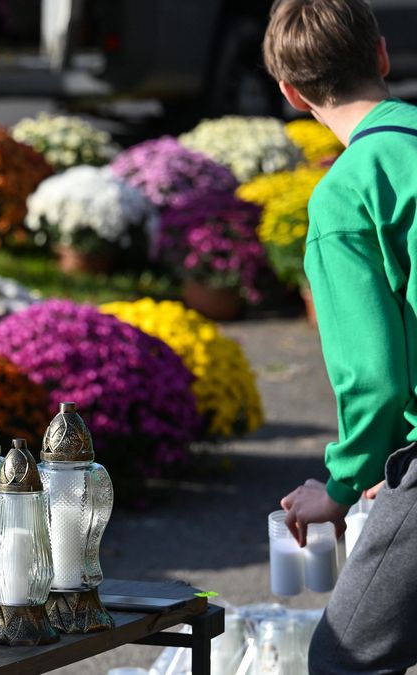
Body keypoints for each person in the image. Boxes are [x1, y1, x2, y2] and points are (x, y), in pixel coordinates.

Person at [266, 0, 417, 670]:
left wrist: (344, 481)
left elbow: (376, 375)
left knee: (343, 656)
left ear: (291, 93)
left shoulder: (347, 192)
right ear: (382, 56)